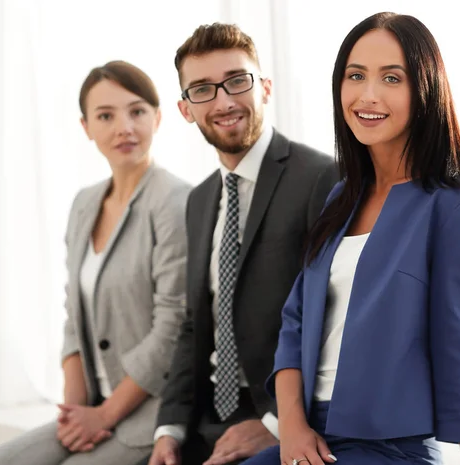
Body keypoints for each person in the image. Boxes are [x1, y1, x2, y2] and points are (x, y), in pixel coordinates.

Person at [242, 12, 460, 465]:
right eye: (356, 75)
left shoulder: (456, 206)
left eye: (391, 78)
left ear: (424, 90)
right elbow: (295, 323)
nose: (369, 95)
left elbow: (458, 350)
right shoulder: (341, 196)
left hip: (391, 448)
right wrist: (293, 430)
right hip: (310, 438)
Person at [139, 22, 337, 465]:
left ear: (264, 87)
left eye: (236, 81)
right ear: (186, 109)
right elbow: (194, 324)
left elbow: (336, 319)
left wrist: (274, 424)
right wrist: (168, 429)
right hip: (206, 416)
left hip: (280, 414)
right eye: (203, 90)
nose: (224, 101)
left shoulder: (320, 177)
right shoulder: (200, 199)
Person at [0, 60, 192, 465]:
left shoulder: (174, 201)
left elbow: (172, 328)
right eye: (106, 116)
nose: (124, 128)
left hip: (149, 414)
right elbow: (73, 317)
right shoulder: (84, 204)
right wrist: (74, 415)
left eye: (137, 111)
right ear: (86, 128)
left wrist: (104, 416)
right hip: (93, 406)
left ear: (158, 117)